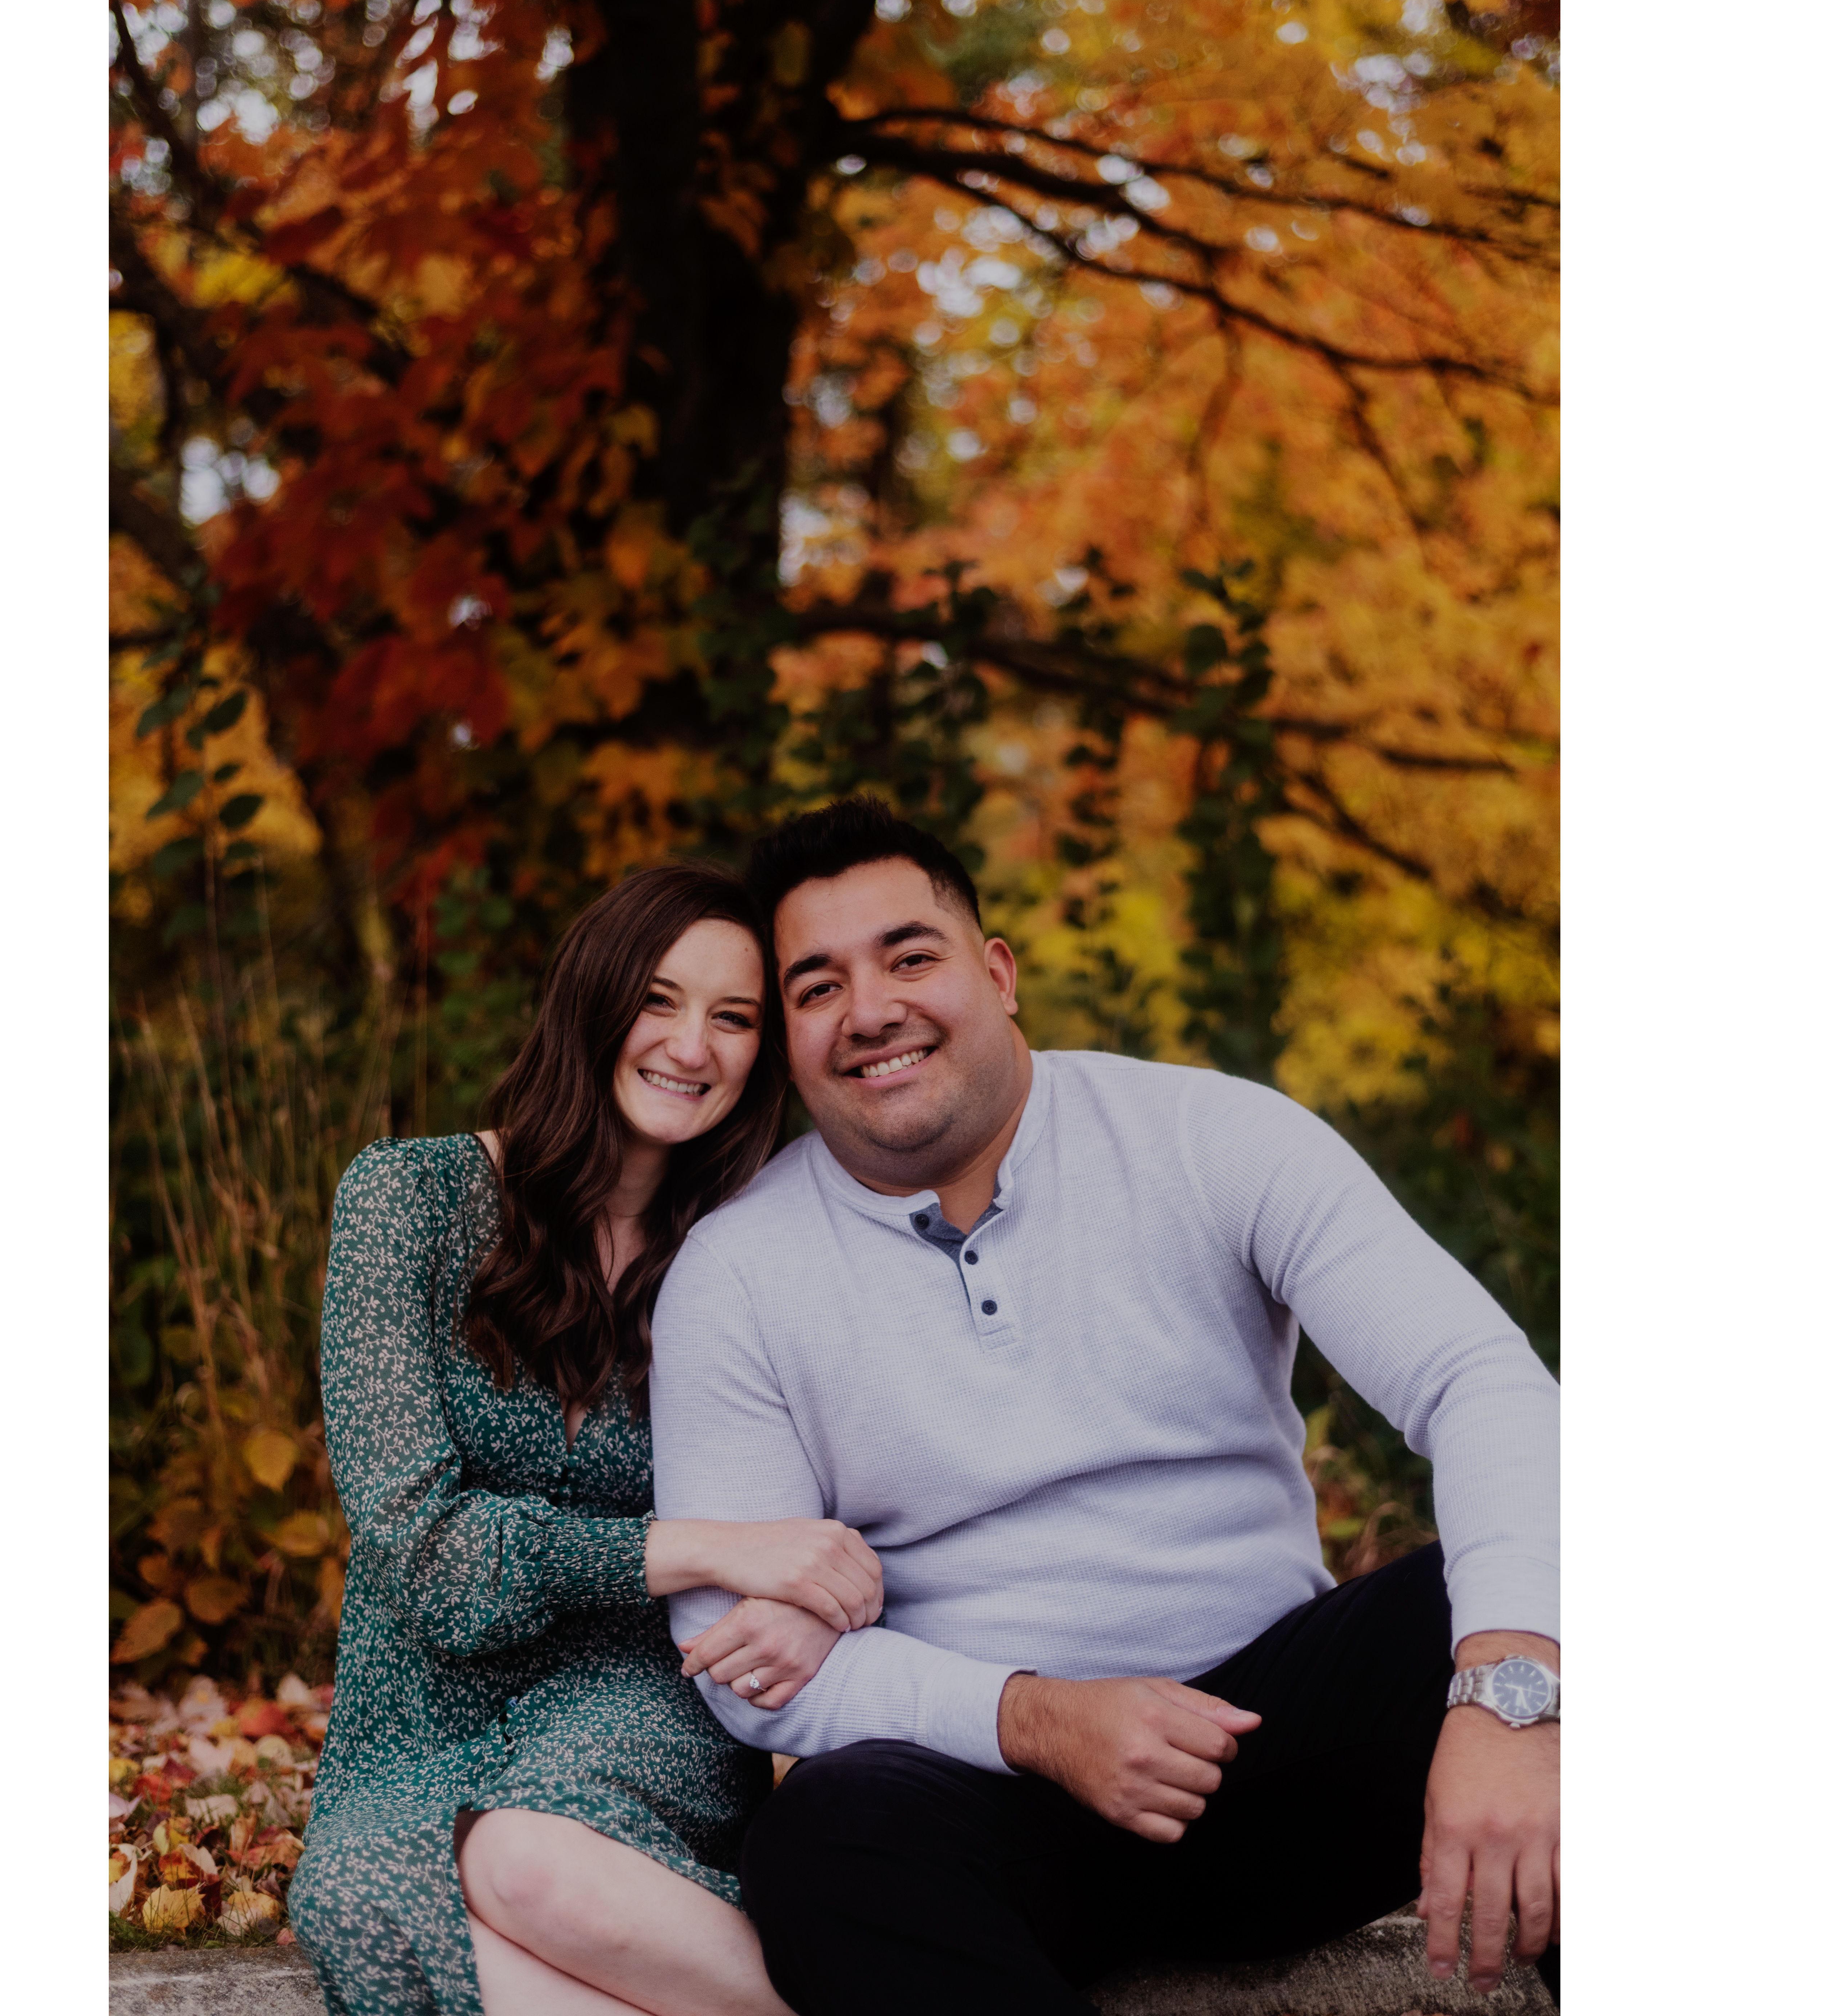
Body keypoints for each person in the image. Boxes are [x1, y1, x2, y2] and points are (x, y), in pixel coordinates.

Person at [650, 798, 1562, 2012]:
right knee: (823, 1843)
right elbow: (736, 1660)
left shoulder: (1207, 1134)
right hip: (999, 1799)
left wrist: (1509, 1692)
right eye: (818, 987)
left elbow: (1479, 1379)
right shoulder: (737, 1273)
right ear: (789, 1038)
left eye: (910, 958)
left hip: (1287, 1746)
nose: (869, 1011)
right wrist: (1035, 1720)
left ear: (998, 974)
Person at [290, 861, 875, 2016]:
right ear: (592, 1000)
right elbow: (430, 1562)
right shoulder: (406, 1202)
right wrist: (700, 1547)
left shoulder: (749, 1253)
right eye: (659, 1000)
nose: (691, 1047)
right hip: (418, 1699)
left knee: (534, 1859)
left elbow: (832, 1508)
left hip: (645, 1687)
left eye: (734, 1018)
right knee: (352, 1896)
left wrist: (789, 1587)